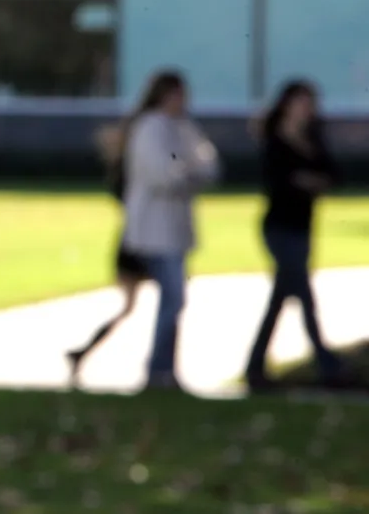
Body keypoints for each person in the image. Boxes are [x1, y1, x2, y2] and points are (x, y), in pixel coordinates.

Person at [122, 70, 221, 391]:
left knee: (174, 299)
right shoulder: (150, 128)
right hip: (155, 229)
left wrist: (190, 173)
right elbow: (164, 175)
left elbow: (208, 164)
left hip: (175, 228)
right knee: (173, 297)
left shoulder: (182, 128)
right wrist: (190, 174)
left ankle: (164, 369)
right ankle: (158, 370)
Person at [244, 80, 344, 392]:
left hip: (302, 228)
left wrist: (307, 180)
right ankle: (327, 363)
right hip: (279, 228)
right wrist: (305, 181)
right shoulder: (276, 140)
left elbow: (330, 175)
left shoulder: (313, 139)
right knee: (303, 294)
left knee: (282, 298)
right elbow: (279, 182)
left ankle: (255, 366)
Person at [65, 122, 150, 385]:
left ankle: (82, 352)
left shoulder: (123, 173)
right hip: (139, 243)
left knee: (131, 307)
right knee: (145, 304)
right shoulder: (130, 175)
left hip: (136, 240)